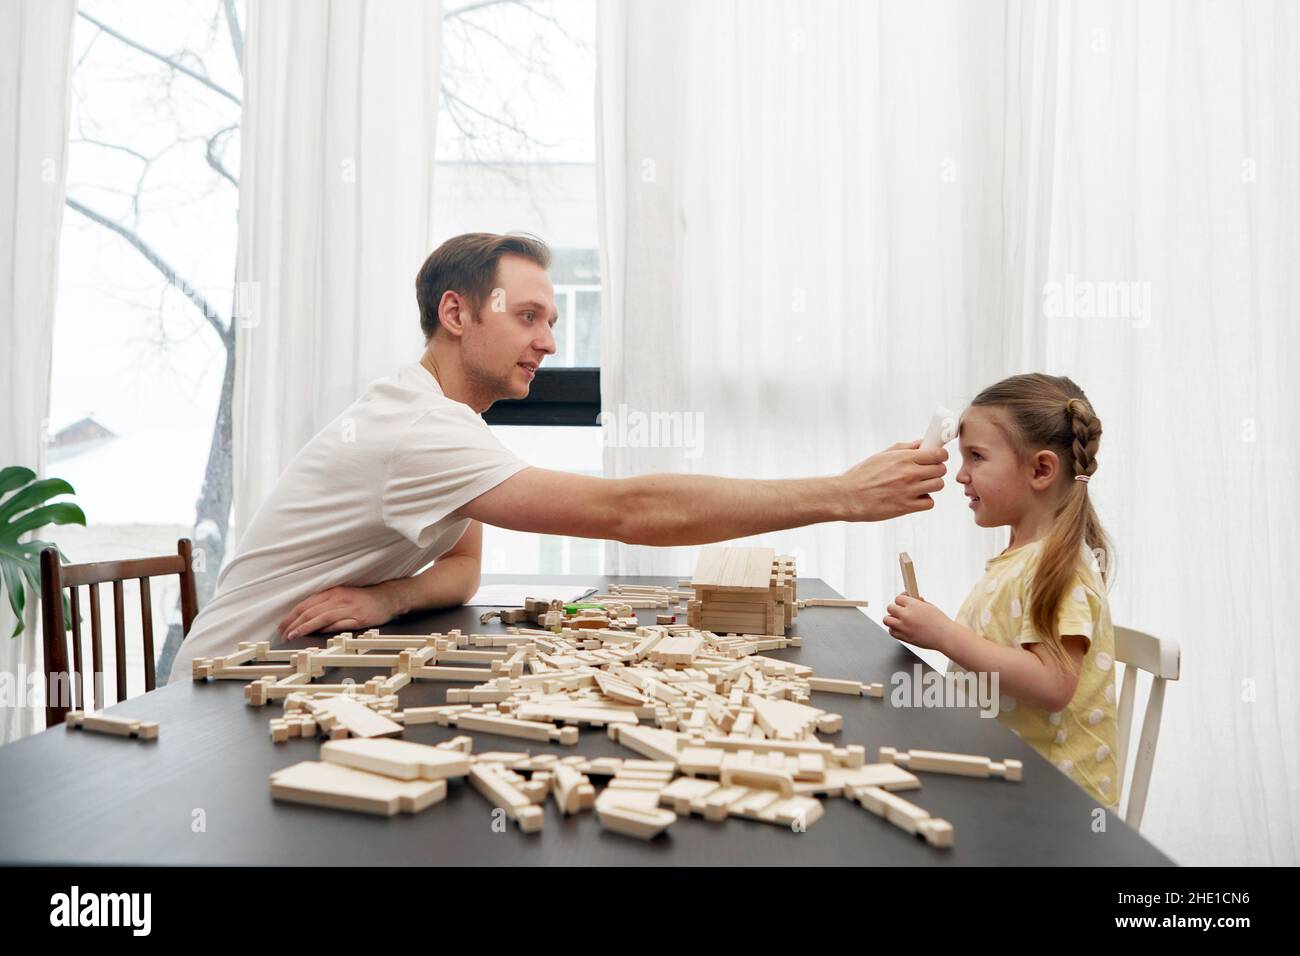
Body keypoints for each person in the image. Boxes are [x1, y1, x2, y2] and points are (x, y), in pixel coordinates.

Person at [168, 232, 949, 683]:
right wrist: (842, 495)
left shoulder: (452, 425)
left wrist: (386, 600)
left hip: (297, 663)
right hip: (222, 686)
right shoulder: (419, 430)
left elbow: (463, 572)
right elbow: (629, 512)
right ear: (456, 313)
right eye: (531, 316)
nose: (550, 340)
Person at [883, 373, 1119, 808]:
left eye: (976, 457)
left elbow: (1052, 684)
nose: (960, 476)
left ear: (1041, 470)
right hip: (1005, 783)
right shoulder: (1022, 558)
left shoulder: (1060, 566)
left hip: (1052, 808)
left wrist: (943, 635)